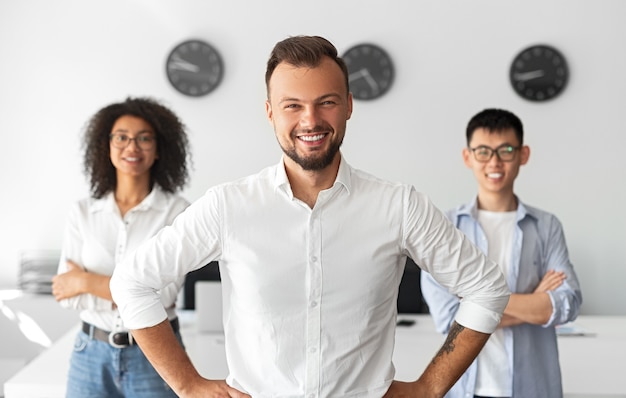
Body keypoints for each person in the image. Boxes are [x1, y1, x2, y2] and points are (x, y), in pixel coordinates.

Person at [110, 35, 510, 398]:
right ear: (270, 112)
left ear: (348, 105)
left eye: (326, 102)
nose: (310, 120)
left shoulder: (399, 206)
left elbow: (487, 289)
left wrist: (430, 387)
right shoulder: (227, 206)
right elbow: (132, 283)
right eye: (292, 106)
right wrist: (188, 384)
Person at [421, 108, 583, 398]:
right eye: (483, 151)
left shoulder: (546, 227)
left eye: (506, 150)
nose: (494, 162)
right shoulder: (444, 228)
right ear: (468, 157)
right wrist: (533, 302)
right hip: (463, 388)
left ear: (523, 155)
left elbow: (565, 304)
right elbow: (448, 319)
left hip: (533, 387)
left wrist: (473, 300)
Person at [52, 97, 192, 397]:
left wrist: (85, 281)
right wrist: (137, 293)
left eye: (144, 138)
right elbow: (66, 296)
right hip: (89, 353)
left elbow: (165, 295)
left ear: (158, 149)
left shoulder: (177, 212)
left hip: (155, 354)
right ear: (107, 146)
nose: (132, 147)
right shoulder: (82, 213)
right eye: (122, 138)